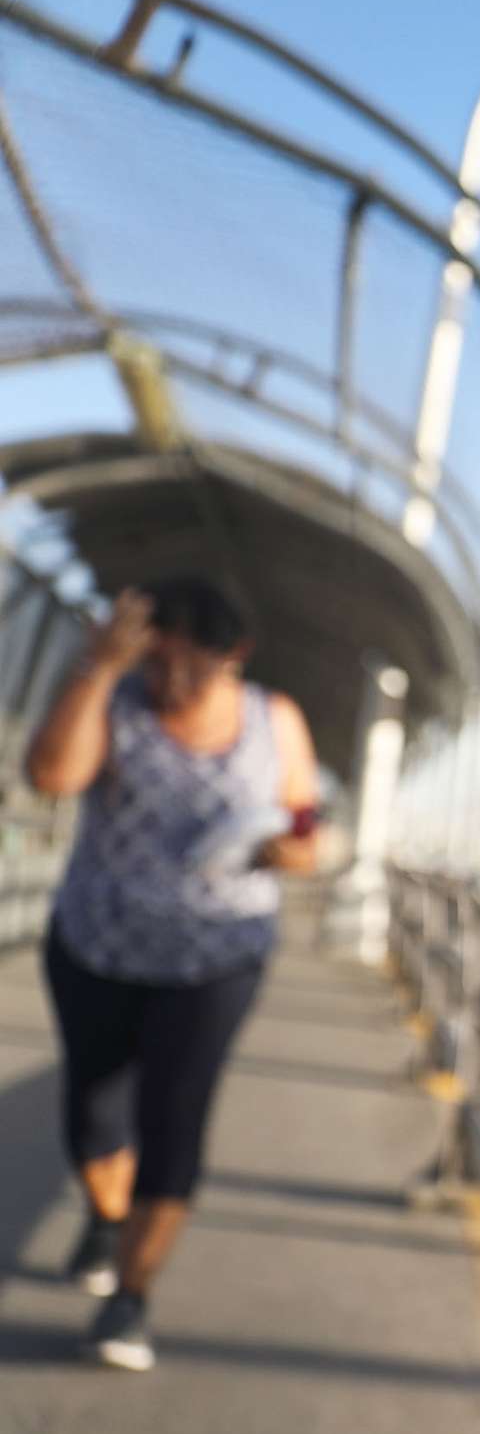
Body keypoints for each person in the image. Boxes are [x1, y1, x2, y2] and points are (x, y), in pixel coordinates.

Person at [25, 578, 320, 1371]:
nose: (172, 686)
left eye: (195, 670)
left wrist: (280, 846)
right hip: (99, 944)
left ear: (237, 657)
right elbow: (52, 776)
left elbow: (305, 827)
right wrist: (96, 669)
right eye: (160, 666)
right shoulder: (115, 697)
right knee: (94, 1113)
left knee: (175, 1118)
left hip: (217, 957)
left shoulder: (274, 720)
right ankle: (106, 1216)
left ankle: (129, 1299)